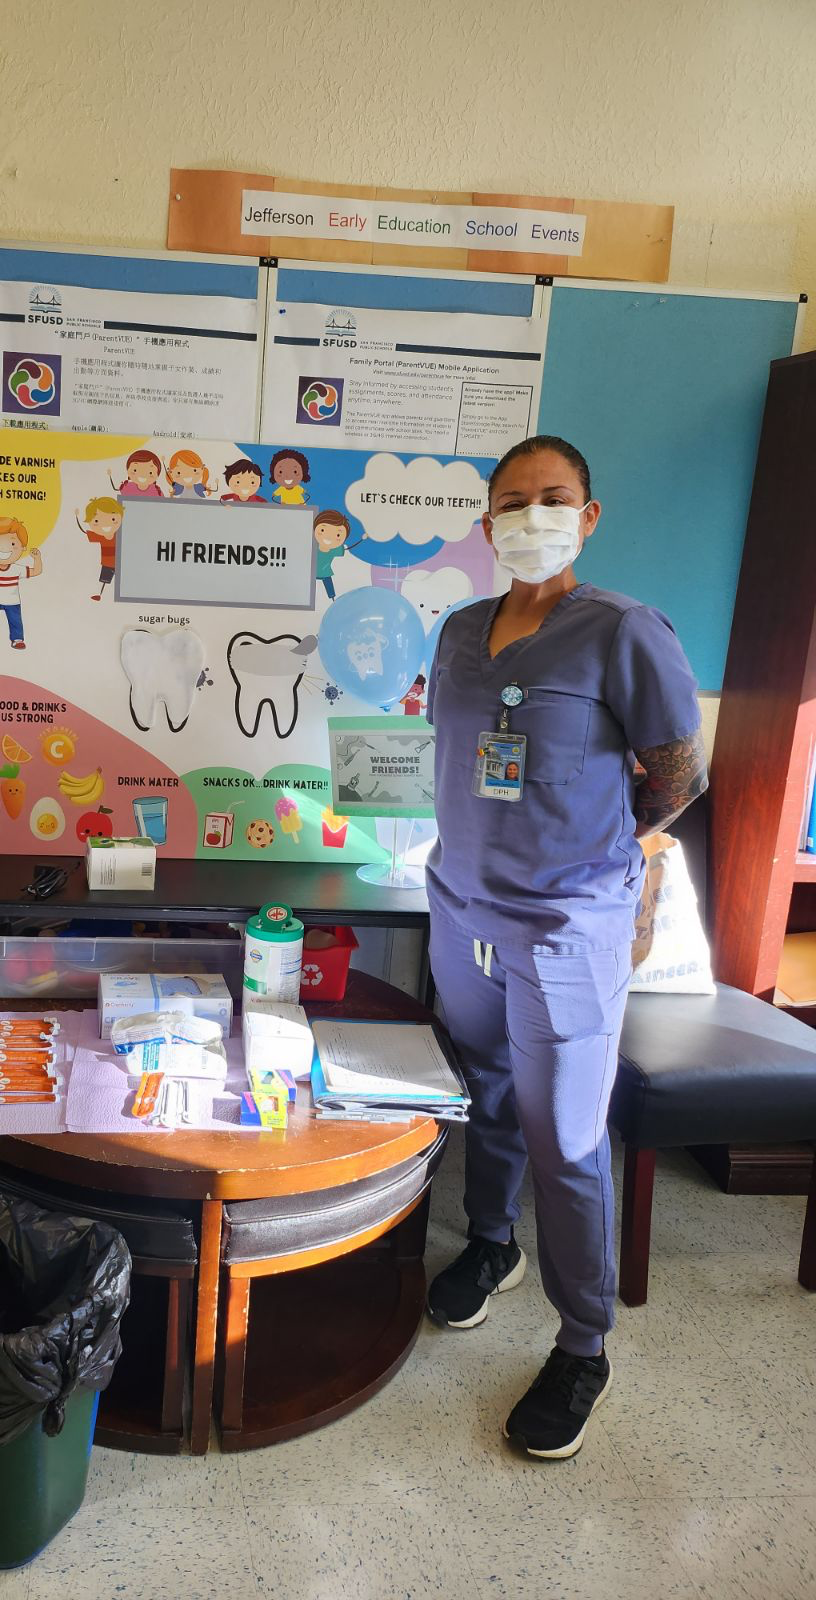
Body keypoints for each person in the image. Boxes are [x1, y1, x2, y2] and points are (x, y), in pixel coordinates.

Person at [424, 434, 705, 1461]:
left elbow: (677, 774)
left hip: (564, 920)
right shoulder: (459, 631)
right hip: (462, 903)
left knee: (566, 1130)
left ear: (589, 516)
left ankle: (584, 1338)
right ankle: (491, 1243)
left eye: (554, 499)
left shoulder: (622, 629)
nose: (531, 516)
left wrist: (600, 847)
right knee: (487, 1083)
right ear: (486, 520)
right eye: (512, 500)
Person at [0, 517, 41, 646]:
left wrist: (37, 559)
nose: (4, 548)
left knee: (15, 620)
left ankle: (17, 639)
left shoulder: (16, 569)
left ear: (22, 548)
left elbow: (35, 571)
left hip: (12, 601)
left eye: (12, 544)